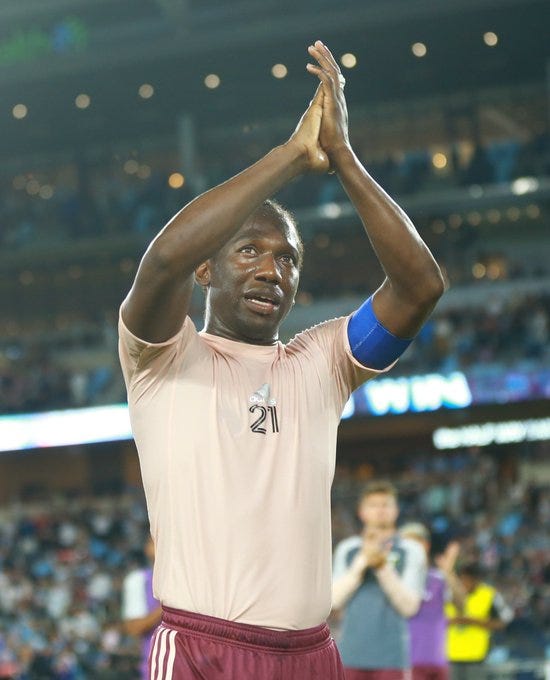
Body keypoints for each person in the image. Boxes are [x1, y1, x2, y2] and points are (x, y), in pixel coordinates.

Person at [118, 39, 444, 680]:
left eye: (288, 257)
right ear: (207, 266)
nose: (272, 268)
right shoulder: (161, 356)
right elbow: (162, 263)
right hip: (201, 650)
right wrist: (293, 155)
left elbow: (419, 288)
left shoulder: (323, 360)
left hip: (313, 655)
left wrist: (343, 158)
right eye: (250, 252)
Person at [332, 481, 427, 680]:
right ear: (362, 512)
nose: (380, 510)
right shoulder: (348, 549)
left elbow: (410, 607)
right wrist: (363, 561)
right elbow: (334, 600)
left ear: (396, 510)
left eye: (386, 504)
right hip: (350, 654)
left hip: (391, 657)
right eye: (373, 505)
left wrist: (382, 567)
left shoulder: (411, 550)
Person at [399, 523, 464, 680]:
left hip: (437, 661)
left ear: (426, 546)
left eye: (415, 544)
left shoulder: (438, 578)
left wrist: (449, 573)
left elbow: (461, 605)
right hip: (405, 662)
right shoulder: (395, 580)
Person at [446, 562, 514, 680]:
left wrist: (473, 622)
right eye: (461, 579)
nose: (464, 583)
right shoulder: (447, 593)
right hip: (448, 657)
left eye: (468, 579)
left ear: (477, 579)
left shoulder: (489, 594)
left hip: (476, 658)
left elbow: (502, 622)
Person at [121, 536, 162, 680]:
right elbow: (134, 628)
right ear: (147, 549)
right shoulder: (138, 580)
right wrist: (167, 605)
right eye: (154, 541)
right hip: (157, 665)